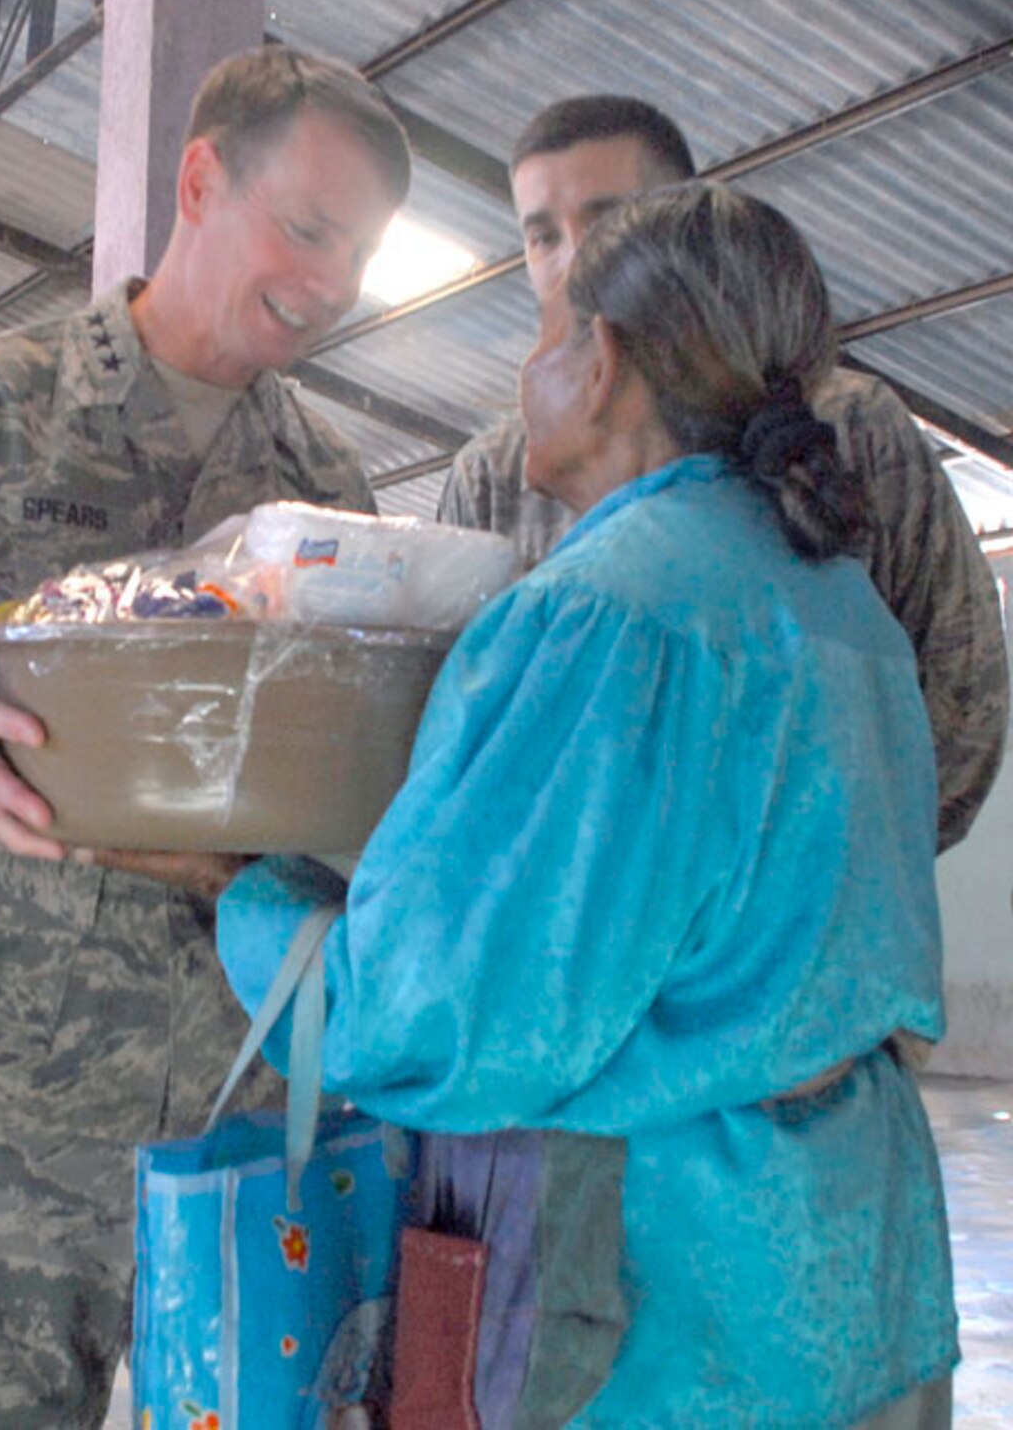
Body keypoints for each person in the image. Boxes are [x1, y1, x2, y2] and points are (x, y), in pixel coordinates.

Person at [0, 44, 411, 1425]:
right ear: (197, 179)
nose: (331, 285)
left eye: (359, 255)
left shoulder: (328, 490)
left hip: (241, 1125)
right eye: (305, 229)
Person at [218, 183, 956, 1425]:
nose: (532, 374)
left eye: (547, 335)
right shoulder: (844, 609)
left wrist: (243, 892)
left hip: (660, 1301)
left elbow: (439, 1020)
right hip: (848, 1269)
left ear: (600, 360)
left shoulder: (604, 615)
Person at [438, 94, 1007, 852]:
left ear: (684, 225)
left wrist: (831, 878)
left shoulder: (846, 427)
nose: (571, 260)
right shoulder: (498, 472)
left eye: (605, 221)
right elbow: (452, 734)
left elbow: (960, 693)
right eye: (543, 236)